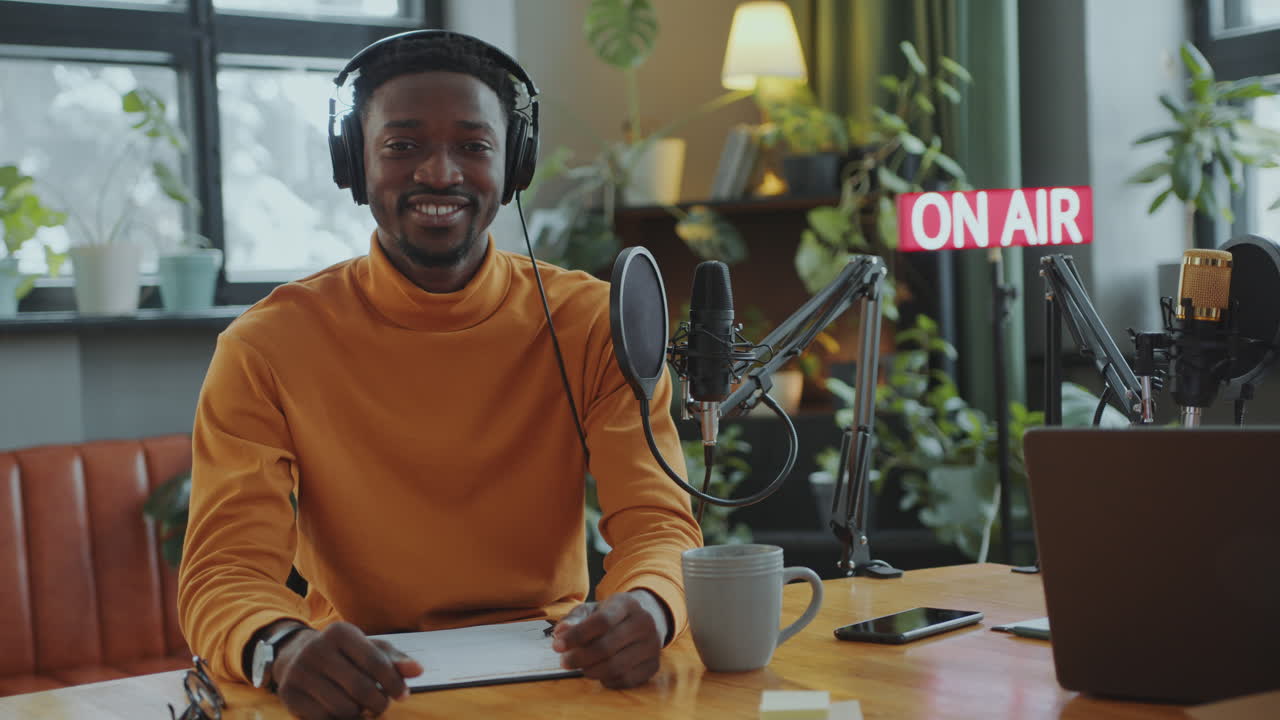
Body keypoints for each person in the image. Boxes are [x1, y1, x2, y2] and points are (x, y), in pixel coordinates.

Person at [177, 29, 701, 720]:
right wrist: (281, 645)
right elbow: (225, 571)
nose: (440, 172)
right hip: (362, 686)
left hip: (565, 681)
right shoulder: (266, 346)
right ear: (354, 165)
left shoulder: (590, 323)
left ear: (513, 163)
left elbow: (660, 524)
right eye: (402, 146)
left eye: (473, 145)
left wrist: (651, 607)